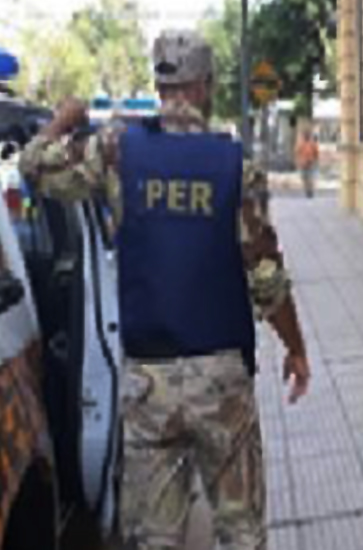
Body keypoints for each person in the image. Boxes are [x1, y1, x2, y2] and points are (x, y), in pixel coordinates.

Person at [20, 30, 310, 550]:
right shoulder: (236, 164)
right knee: (242, 531)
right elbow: (266, 277)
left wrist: (63, 119)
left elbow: (33, 167)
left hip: (148, 383)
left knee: (154, 537)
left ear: (159, 86)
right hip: (221, 379)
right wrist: (296, 347)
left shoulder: (117, 151)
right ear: (205, 86)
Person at [295, 130, 320, 198]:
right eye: (305, 135)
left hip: (310, 163)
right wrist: (298, 162)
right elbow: (297, 153)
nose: (306, 136)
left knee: (309, 178)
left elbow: (316, 153)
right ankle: (307, 190)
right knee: (304, 178)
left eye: (307, 135)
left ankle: (310, 191)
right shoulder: (300, 144)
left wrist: (314, 160)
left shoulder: (312, 144)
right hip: (303, 164)